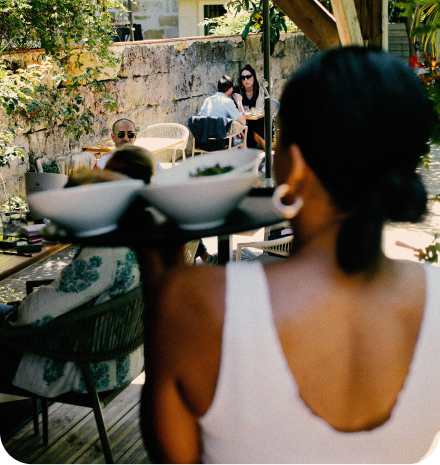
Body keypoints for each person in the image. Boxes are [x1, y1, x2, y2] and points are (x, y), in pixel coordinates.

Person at [141, 47, 440, 465]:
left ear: (295, 165)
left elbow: (173, 455)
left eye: (279, 140)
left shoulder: (196, 301)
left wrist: (158, 269)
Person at [0, 169, 144, 397]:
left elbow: (29, 316)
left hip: (84, 365)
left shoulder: (104, 252)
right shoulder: (133, 238)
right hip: (119, 358)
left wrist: (17, 311)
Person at [232, 64, 265, 149]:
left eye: (248, 77)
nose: (246, 80)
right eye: (243, 78)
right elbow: (235, 110)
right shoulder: (237, 91)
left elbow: (260, 108)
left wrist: (261, 92)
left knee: (257, 126)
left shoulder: (259, 89)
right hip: (244, 121)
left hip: (259, 120)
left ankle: (268, 153)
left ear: (253, 77)